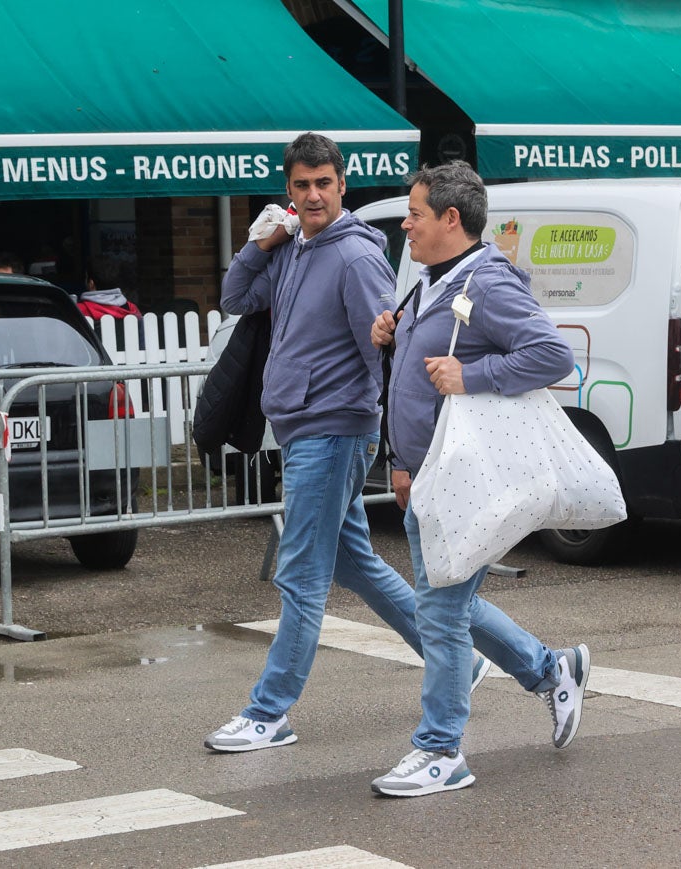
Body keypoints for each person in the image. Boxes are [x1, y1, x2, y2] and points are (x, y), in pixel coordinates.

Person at [207, 133, 489, 756]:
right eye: (301, 185)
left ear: (342, 185)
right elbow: (234, 297)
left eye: (323, 184)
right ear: (289, 189)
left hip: (334, 430)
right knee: (358, 566)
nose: (312, 195)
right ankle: (485, 661)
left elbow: (384, 350)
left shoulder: (356, 256)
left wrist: (393, 449)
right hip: (306, 428)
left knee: (300, 576)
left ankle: (268, 711)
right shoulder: (292, 249)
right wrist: (259, 245)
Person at [369, 161, 590, 797]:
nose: (405, 224)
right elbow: (412, 381)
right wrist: (402, 462)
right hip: (426, 476)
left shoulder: (487, 283)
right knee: (447, 604)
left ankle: (441, 750)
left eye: (414, 213)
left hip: (466, 479)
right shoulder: (428, 280)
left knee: (439, 613)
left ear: (450, 219)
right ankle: (553, 670)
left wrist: (473, 377)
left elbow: (552, 355)